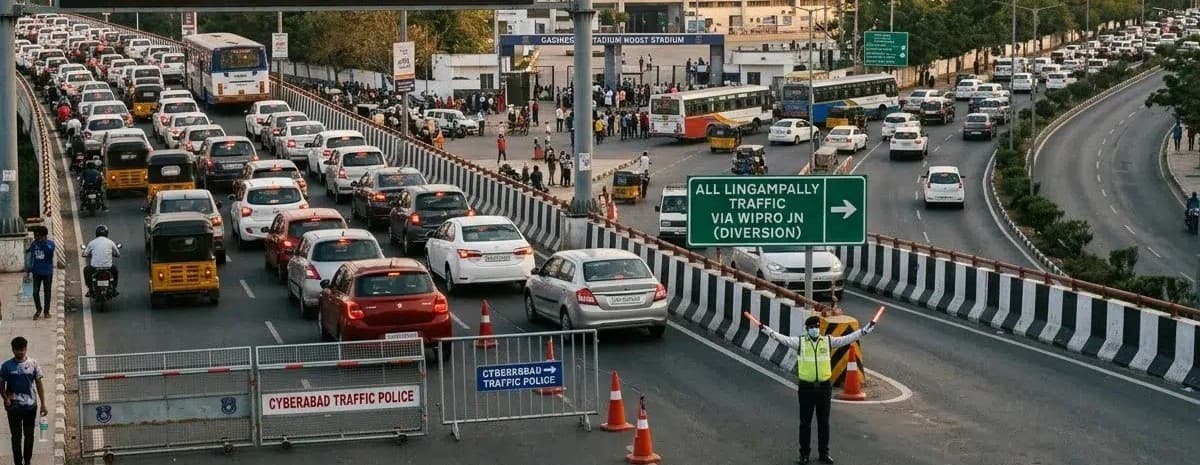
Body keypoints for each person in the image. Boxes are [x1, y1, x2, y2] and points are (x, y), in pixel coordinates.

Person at [757, 315, 876, 464]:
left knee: (823, 422)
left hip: (824, 388)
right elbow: (781, 338)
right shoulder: (800, 342)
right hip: (806, 388)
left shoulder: (827, 341)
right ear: (807, 329)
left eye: (817, 327)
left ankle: (824, 453)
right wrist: (765, 330)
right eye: (812, 327)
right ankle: (804, 455)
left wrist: (864, 331)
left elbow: (847, 338)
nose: (815, 330)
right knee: (805, 423)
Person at [1, 336, 47, 465]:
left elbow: (39, 384)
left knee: (29, 436)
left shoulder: (33, 364)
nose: (20, 352)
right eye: (17, 350)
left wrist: (43, 404)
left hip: (30, 406)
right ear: (13, 350)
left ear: (26, 349)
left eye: (22, 350)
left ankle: (27, 461)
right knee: (16, 437)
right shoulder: (6, 366)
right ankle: (18, 462)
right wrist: (5, 398)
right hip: (13, 407)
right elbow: (1, 385)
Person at [23, 227, 54, 320]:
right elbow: (30, 256)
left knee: (47, 292)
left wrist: (43, 244)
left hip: (47, 272)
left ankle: (46, 311)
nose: (38, 238)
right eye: (37, 236)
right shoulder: (34, 244)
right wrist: (28, 270)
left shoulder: (50, 244)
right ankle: (38, 309)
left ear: (44, 236)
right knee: (35, 292)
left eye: (39, 236)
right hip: (36, 272)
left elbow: (50, 255)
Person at [83, 225, 120, 298]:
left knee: (86, 270)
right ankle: (114, 289)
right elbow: (118, 253)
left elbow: (85, 253)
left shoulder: (92, 242)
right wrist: (114, 254)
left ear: (96, 233)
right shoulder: (110, 242)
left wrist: (86, 254)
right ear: (107, 233)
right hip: (108, 267)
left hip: (95, 266)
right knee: (115, 271)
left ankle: (90, 289)